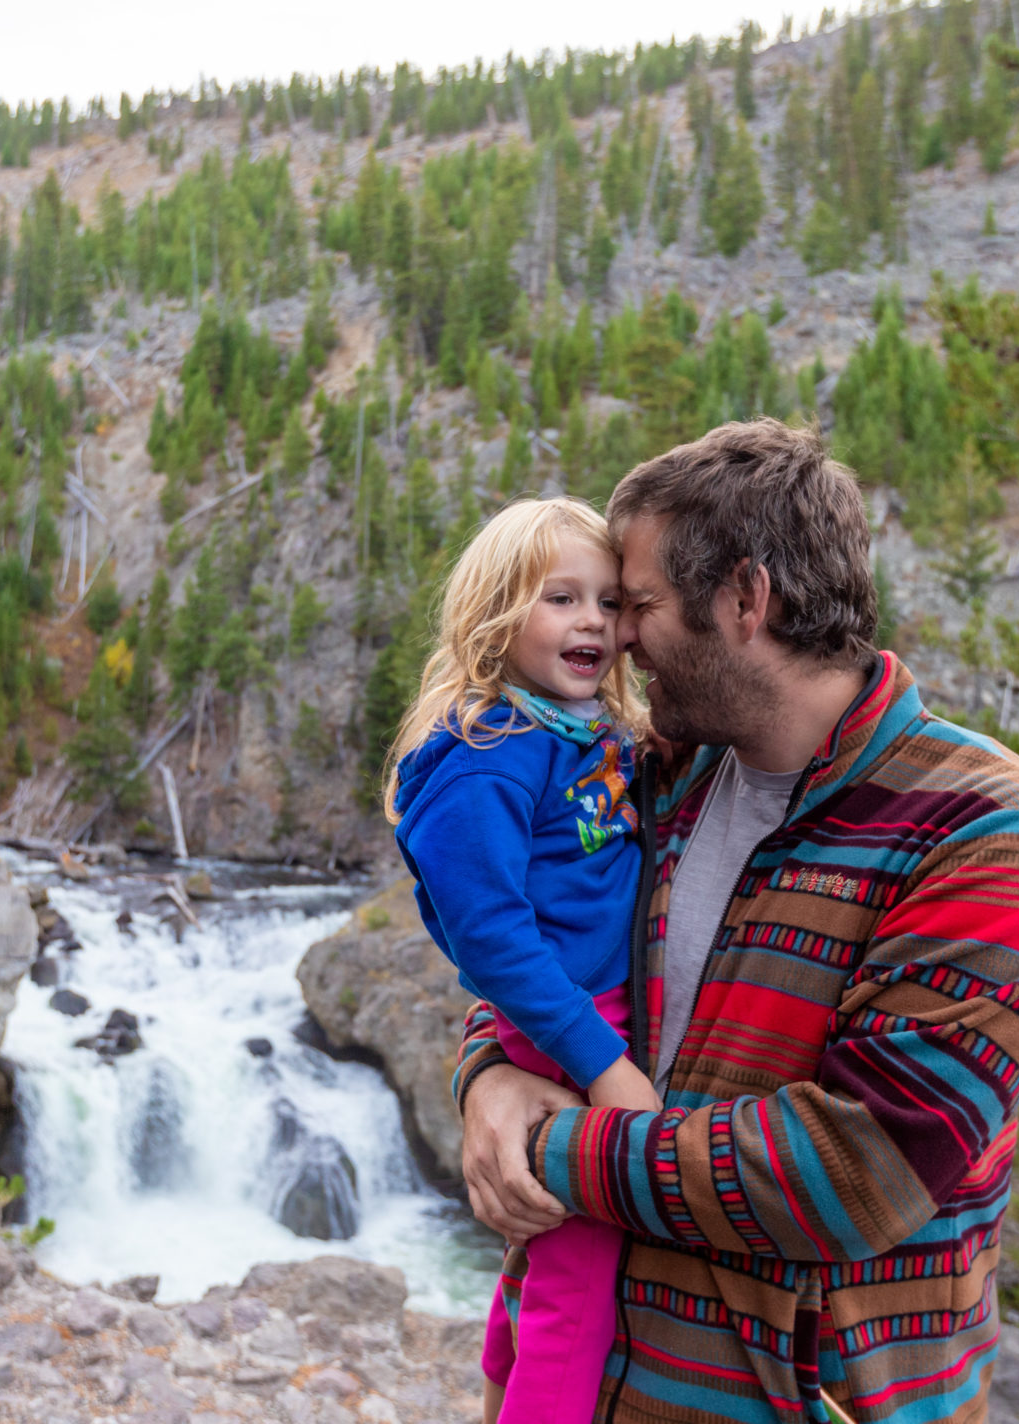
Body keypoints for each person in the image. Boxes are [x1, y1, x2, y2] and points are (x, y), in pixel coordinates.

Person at [453, 420, 1019, 1424]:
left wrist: (545, 1149)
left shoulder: (996, 835)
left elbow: (844, 1174)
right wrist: (489, 1069)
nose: (618, 636)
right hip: (580, 1383)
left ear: (744, 599)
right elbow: (544, 947)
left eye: (642, 604)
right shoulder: (651, 768)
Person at [386, 497, 664, 1424]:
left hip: (595, 1008)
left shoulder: (580, 733)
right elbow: (493, 941)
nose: (592, 620)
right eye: (560, 598)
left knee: (547, 1253)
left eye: (608, 601)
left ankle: (501, 1384)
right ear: (497, 616)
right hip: (572, 1023)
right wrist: (605, 1067)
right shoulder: (486, 761)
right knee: (580, 1282)